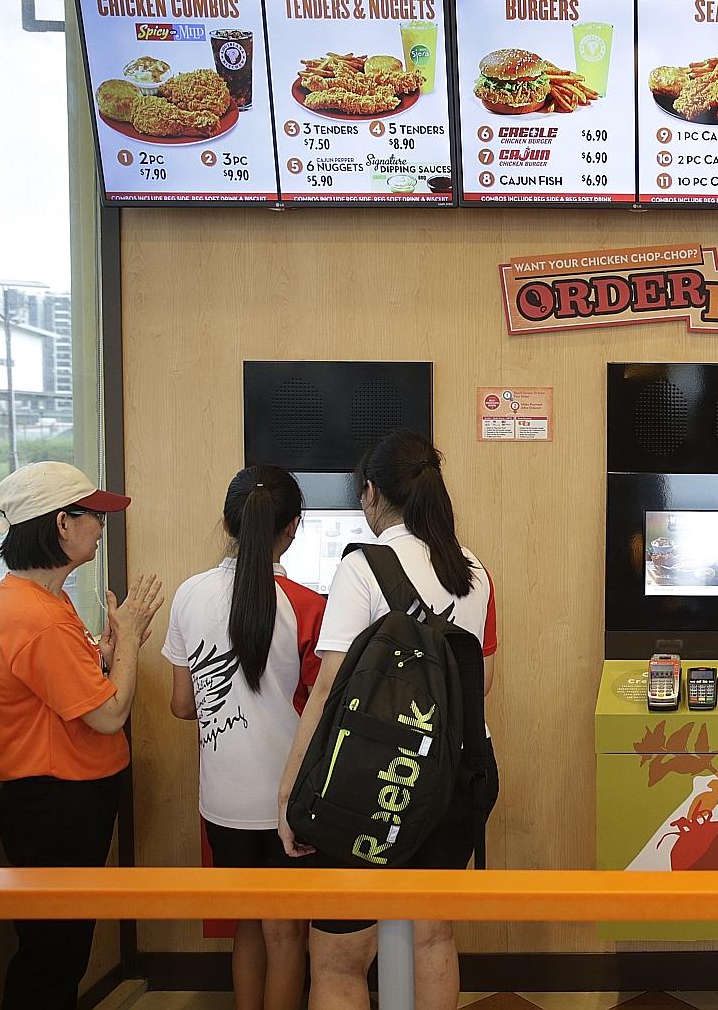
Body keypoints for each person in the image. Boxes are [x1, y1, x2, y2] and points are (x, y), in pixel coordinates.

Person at [276, 430, 497, 1010]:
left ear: (371, 493)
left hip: (367, 784)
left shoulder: (361, 568)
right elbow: (482, 687)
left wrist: (291, 794)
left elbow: (328, 688)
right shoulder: (473, 571)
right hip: (452, 780)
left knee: (339, 959)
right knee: (433, 938)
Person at [0, 462, 163, 1010]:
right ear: (62, 523)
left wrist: (107, 654)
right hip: (54, 804)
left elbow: (72, 687)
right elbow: (108, 715)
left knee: (61, 949)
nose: (101, 527)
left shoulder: (43, 599)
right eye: (95, 516)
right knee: (52, 955)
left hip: (66, 798)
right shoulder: (36, 617)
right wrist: (129, 641)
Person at [163, 466, 325, 1010]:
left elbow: (182, 705)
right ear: (293, 528)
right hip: (288, 801)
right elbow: (320, 712)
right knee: (287, 935)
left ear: (228, 522)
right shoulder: (308, 606)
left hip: (222, 799)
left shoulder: (190, 595)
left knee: (247, 927)